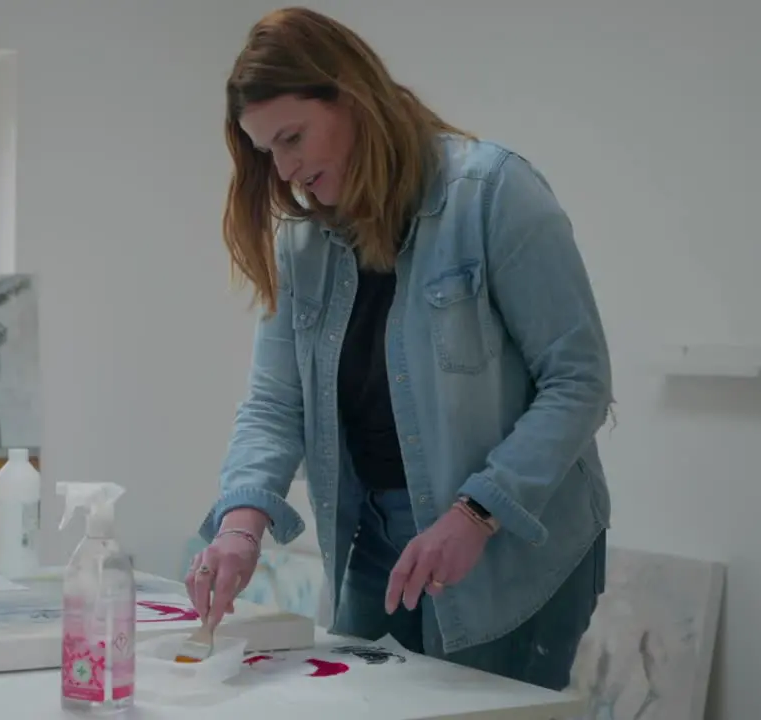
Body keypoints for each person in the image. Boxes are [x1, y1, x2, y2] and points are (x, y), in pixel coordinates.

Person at [186, 7, 612, 691]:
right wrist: (240, 526)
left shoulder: (494, 194)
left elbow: (578, 381)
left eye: (293, 137)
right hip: (376, 542)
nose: (287, 170)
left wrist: (476, 512)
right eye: (269, 152)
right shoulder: (304, 243)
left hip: (511, 550)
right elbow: (274, 401)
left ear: (350, 95)